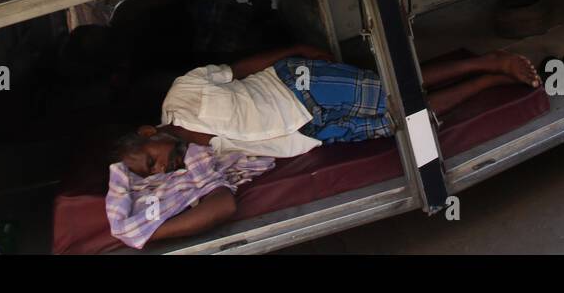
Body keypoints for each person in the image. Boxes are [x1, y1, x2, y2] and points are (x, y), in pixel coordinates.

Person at [107, 43, 539, 245]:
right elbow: (216, 206)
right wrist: (143, 231)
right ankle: (487, 80)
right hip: (309, 134)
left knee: (390, 91)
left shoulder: (181, 93)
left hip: (298, 86)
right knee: (401, 119)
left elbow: (238, 69)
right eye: (151, 172)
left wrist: (294, 51)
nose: (159, 169)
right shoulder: (197, 163)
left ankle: (489, 59)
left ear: (150, 132)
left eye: (150, 159)